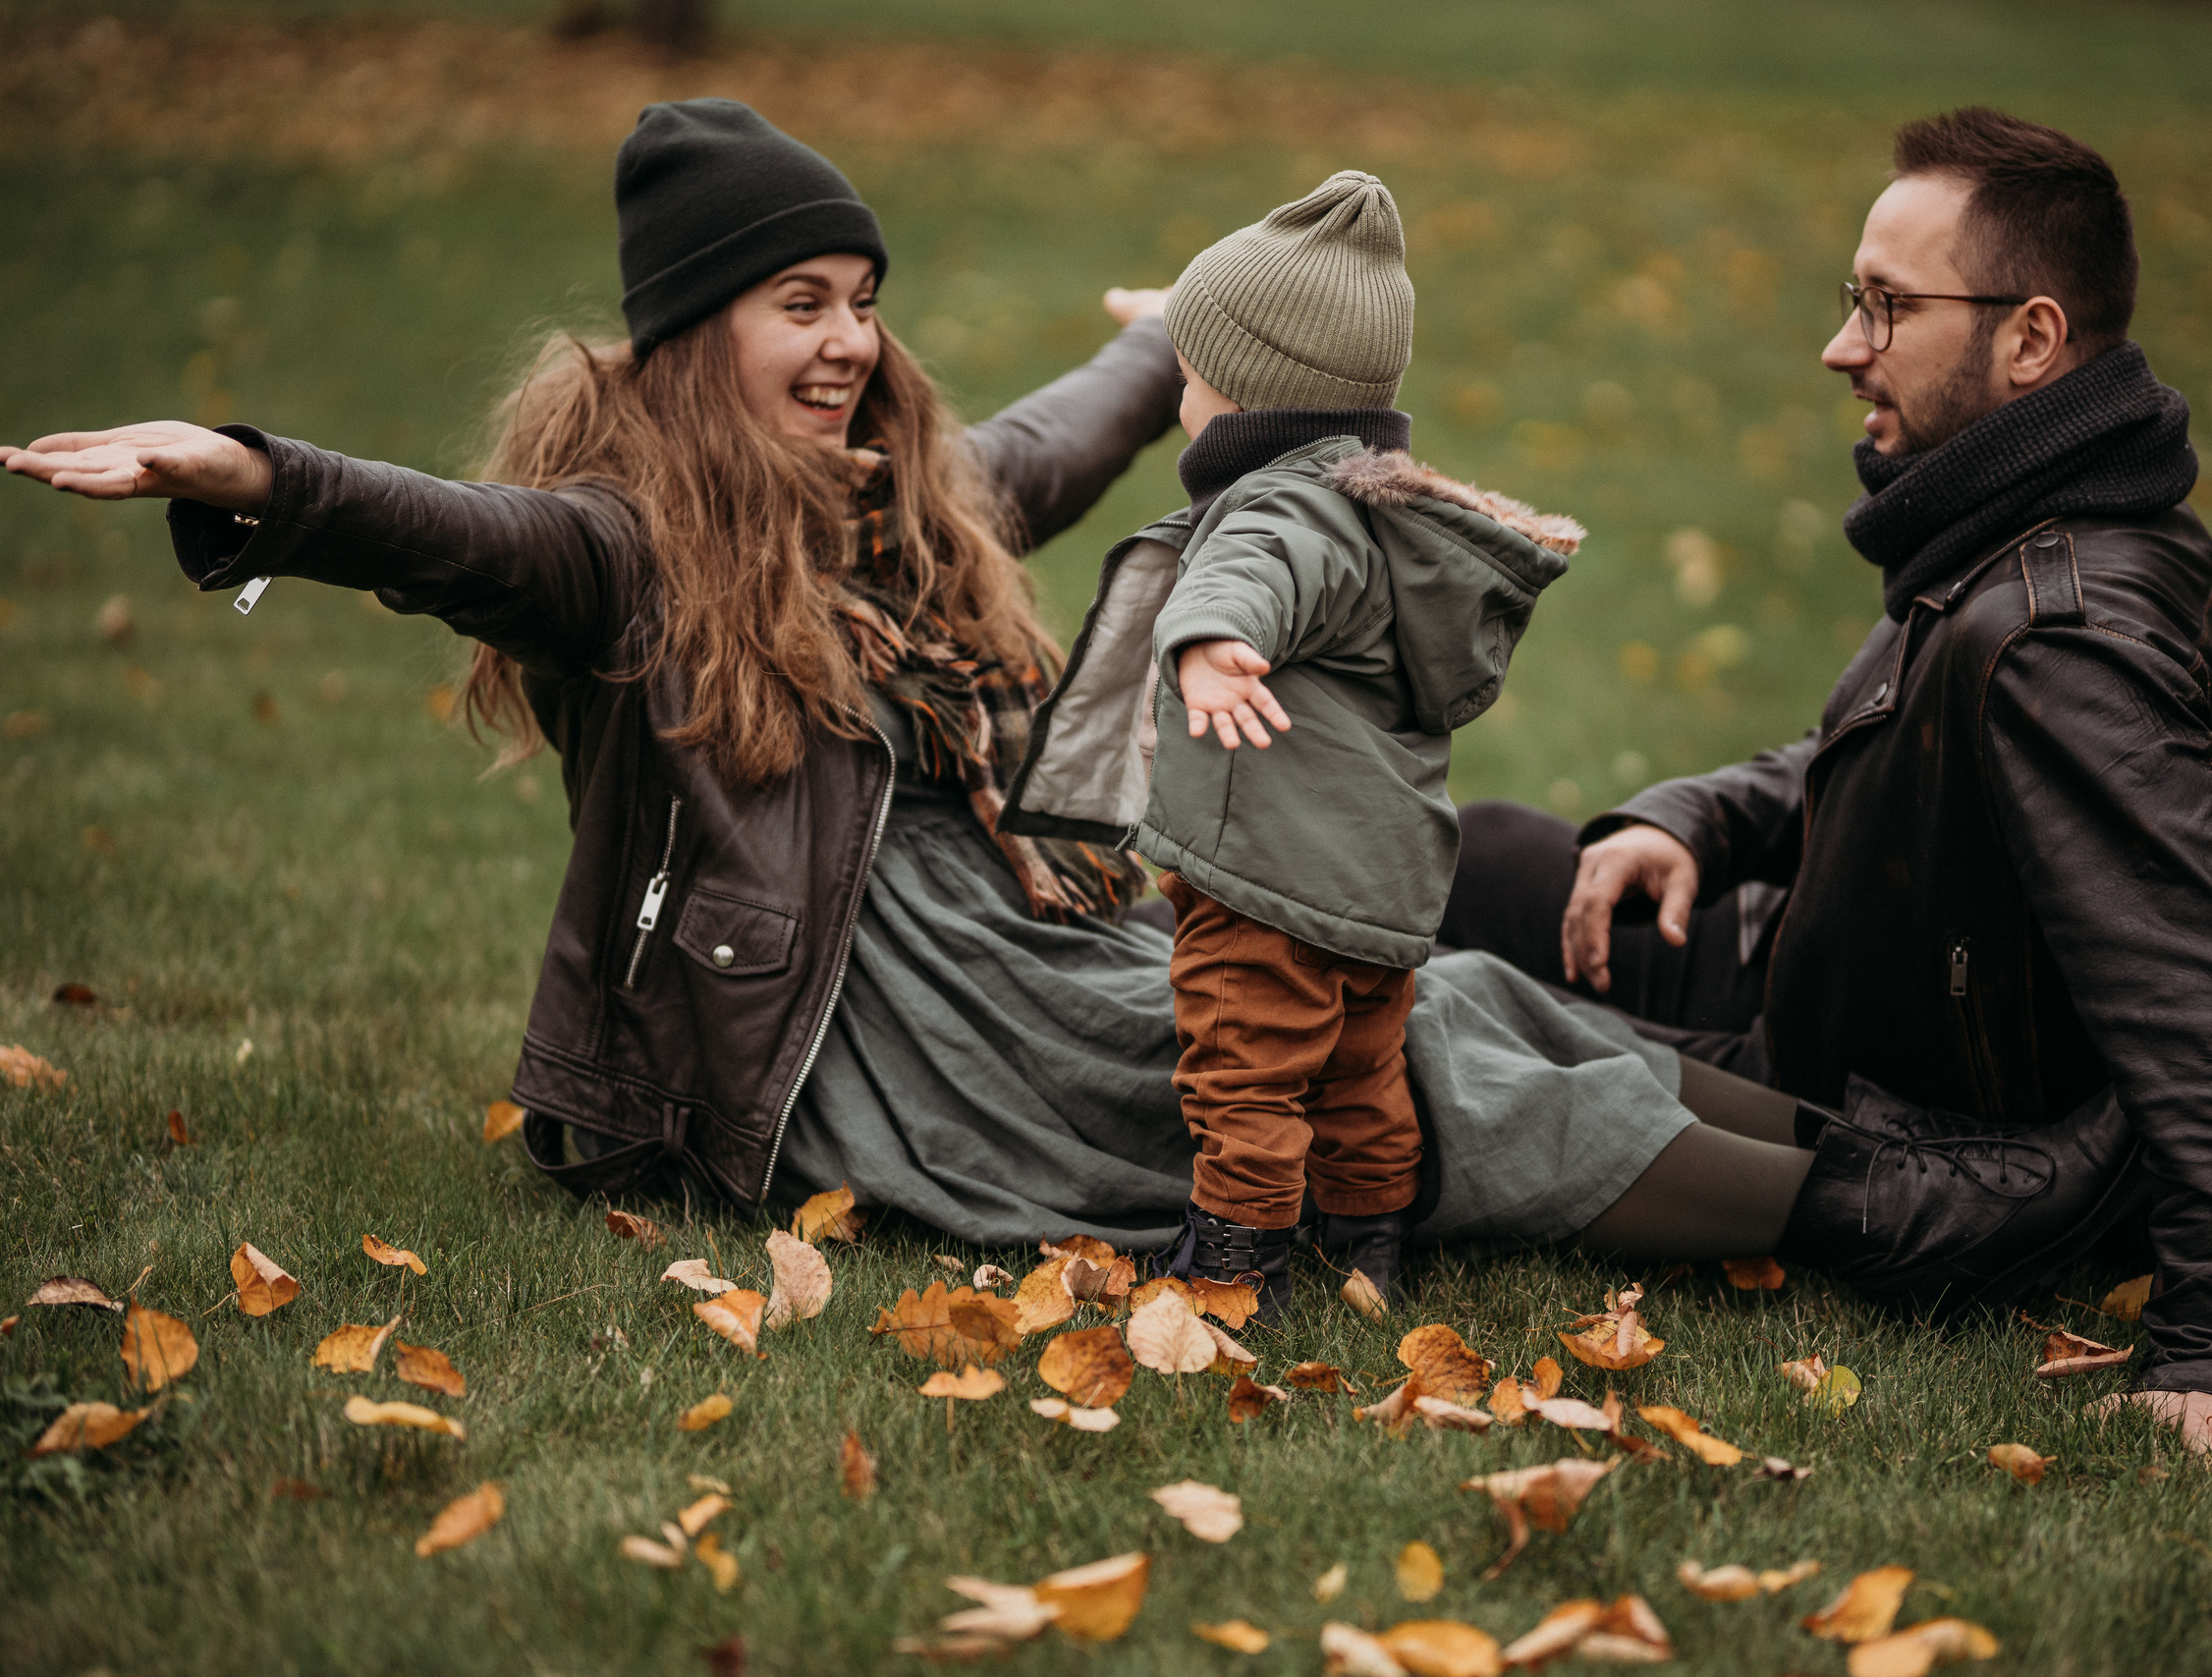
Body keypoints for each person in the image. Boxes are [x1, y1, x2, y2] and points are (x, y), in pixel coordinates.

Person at [4, 97, 1822, 1301]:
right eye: (802, 301)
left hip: (1034, 951)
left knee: (1449, 993)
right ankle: (1878, 1220)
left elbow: (1061, 433)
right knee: (1417, 1061)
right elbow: (462, 537)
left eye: (863, 299)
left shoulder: (900, 510)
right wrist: (251, 476)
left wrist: (1171, 337)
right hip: (891, 1039)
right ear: (696, 329)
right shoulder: (626, 554)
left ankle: (1873, 1154)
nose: (851, 340)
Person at [1441, 109, 2212, 1457]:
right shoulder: (2029, 529)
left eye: (1888, 307)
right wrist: (1695, 820)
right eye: (1855, 300)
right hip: (1818, 974)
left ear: (2030, 338)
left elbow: (2205, 992)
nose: (1844, 346)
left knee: (1422, 1020)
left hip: (1869, 1110)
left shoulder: (2061, 638)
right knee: (1482, 853)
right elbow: (1886, 743)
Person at [1001, 173, 1576, 1317]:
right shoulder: (1374, 507)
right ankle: (1367, 1246)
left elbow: (1250, 573)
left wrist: (1212, 638)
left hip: (1265, 883)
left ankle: (1232, 1265)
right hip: (1379, 886)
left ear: (1243, 401)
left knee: (1241, 1073)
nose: (1177, 407)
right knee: (1361, 1074)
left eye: (1187, 383)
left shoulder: (1279, 507)